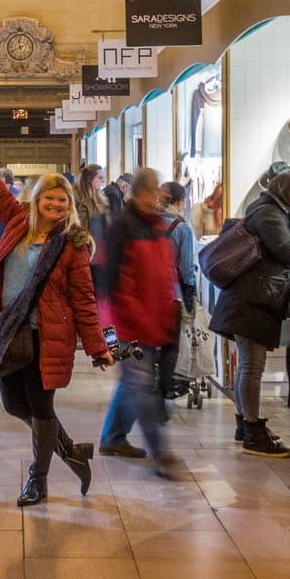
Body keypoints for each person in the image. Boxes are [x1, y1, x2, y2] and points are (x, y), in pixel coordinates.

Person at [0, 119, 112, 506]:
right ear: (37, 199)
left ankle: (37, 479)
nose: (56, 206)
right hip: (10, 331)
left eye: (63, 203)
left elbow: (83, 300)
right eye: (50, 200)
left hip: (48, 336)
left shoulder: (73, 244)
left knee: (41, 407)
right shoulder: (16, 221)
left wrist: (97, 348)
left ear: (69, 206)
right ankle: (72, 451)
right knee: (13, 404)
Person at [208, 170, 290, 456]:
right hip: (252, 303)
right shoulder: (269, 214)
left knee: (248, 367)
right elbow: (285, 252)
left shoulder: (268, 211)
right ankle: (253, 431)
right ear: (287, 192)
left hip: (250, 300)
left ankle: (246, 424)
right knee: (252, 368)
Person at [96, 168, 181, 475]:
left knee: (132, 383)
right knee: (141, 386)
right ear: (142, 193)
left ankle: (113, 437)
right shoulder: (122, 226)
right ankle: (161, 454)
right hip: (122, 327)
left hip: (145, 323)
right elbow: (112, 282)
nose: (158, 196)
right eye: (154, 190)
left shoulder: (155, 226)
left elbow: (161, 278)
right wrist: (137, 320)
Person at [157, 181, 198, 408]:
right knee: (171, 343)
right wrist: (190, 295)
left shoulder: (145, 224)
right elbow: (186, 269)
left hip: (146, 294)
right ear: (180, 202)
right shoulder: (181, 228)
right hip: (171, 293)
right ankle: (166, 385)